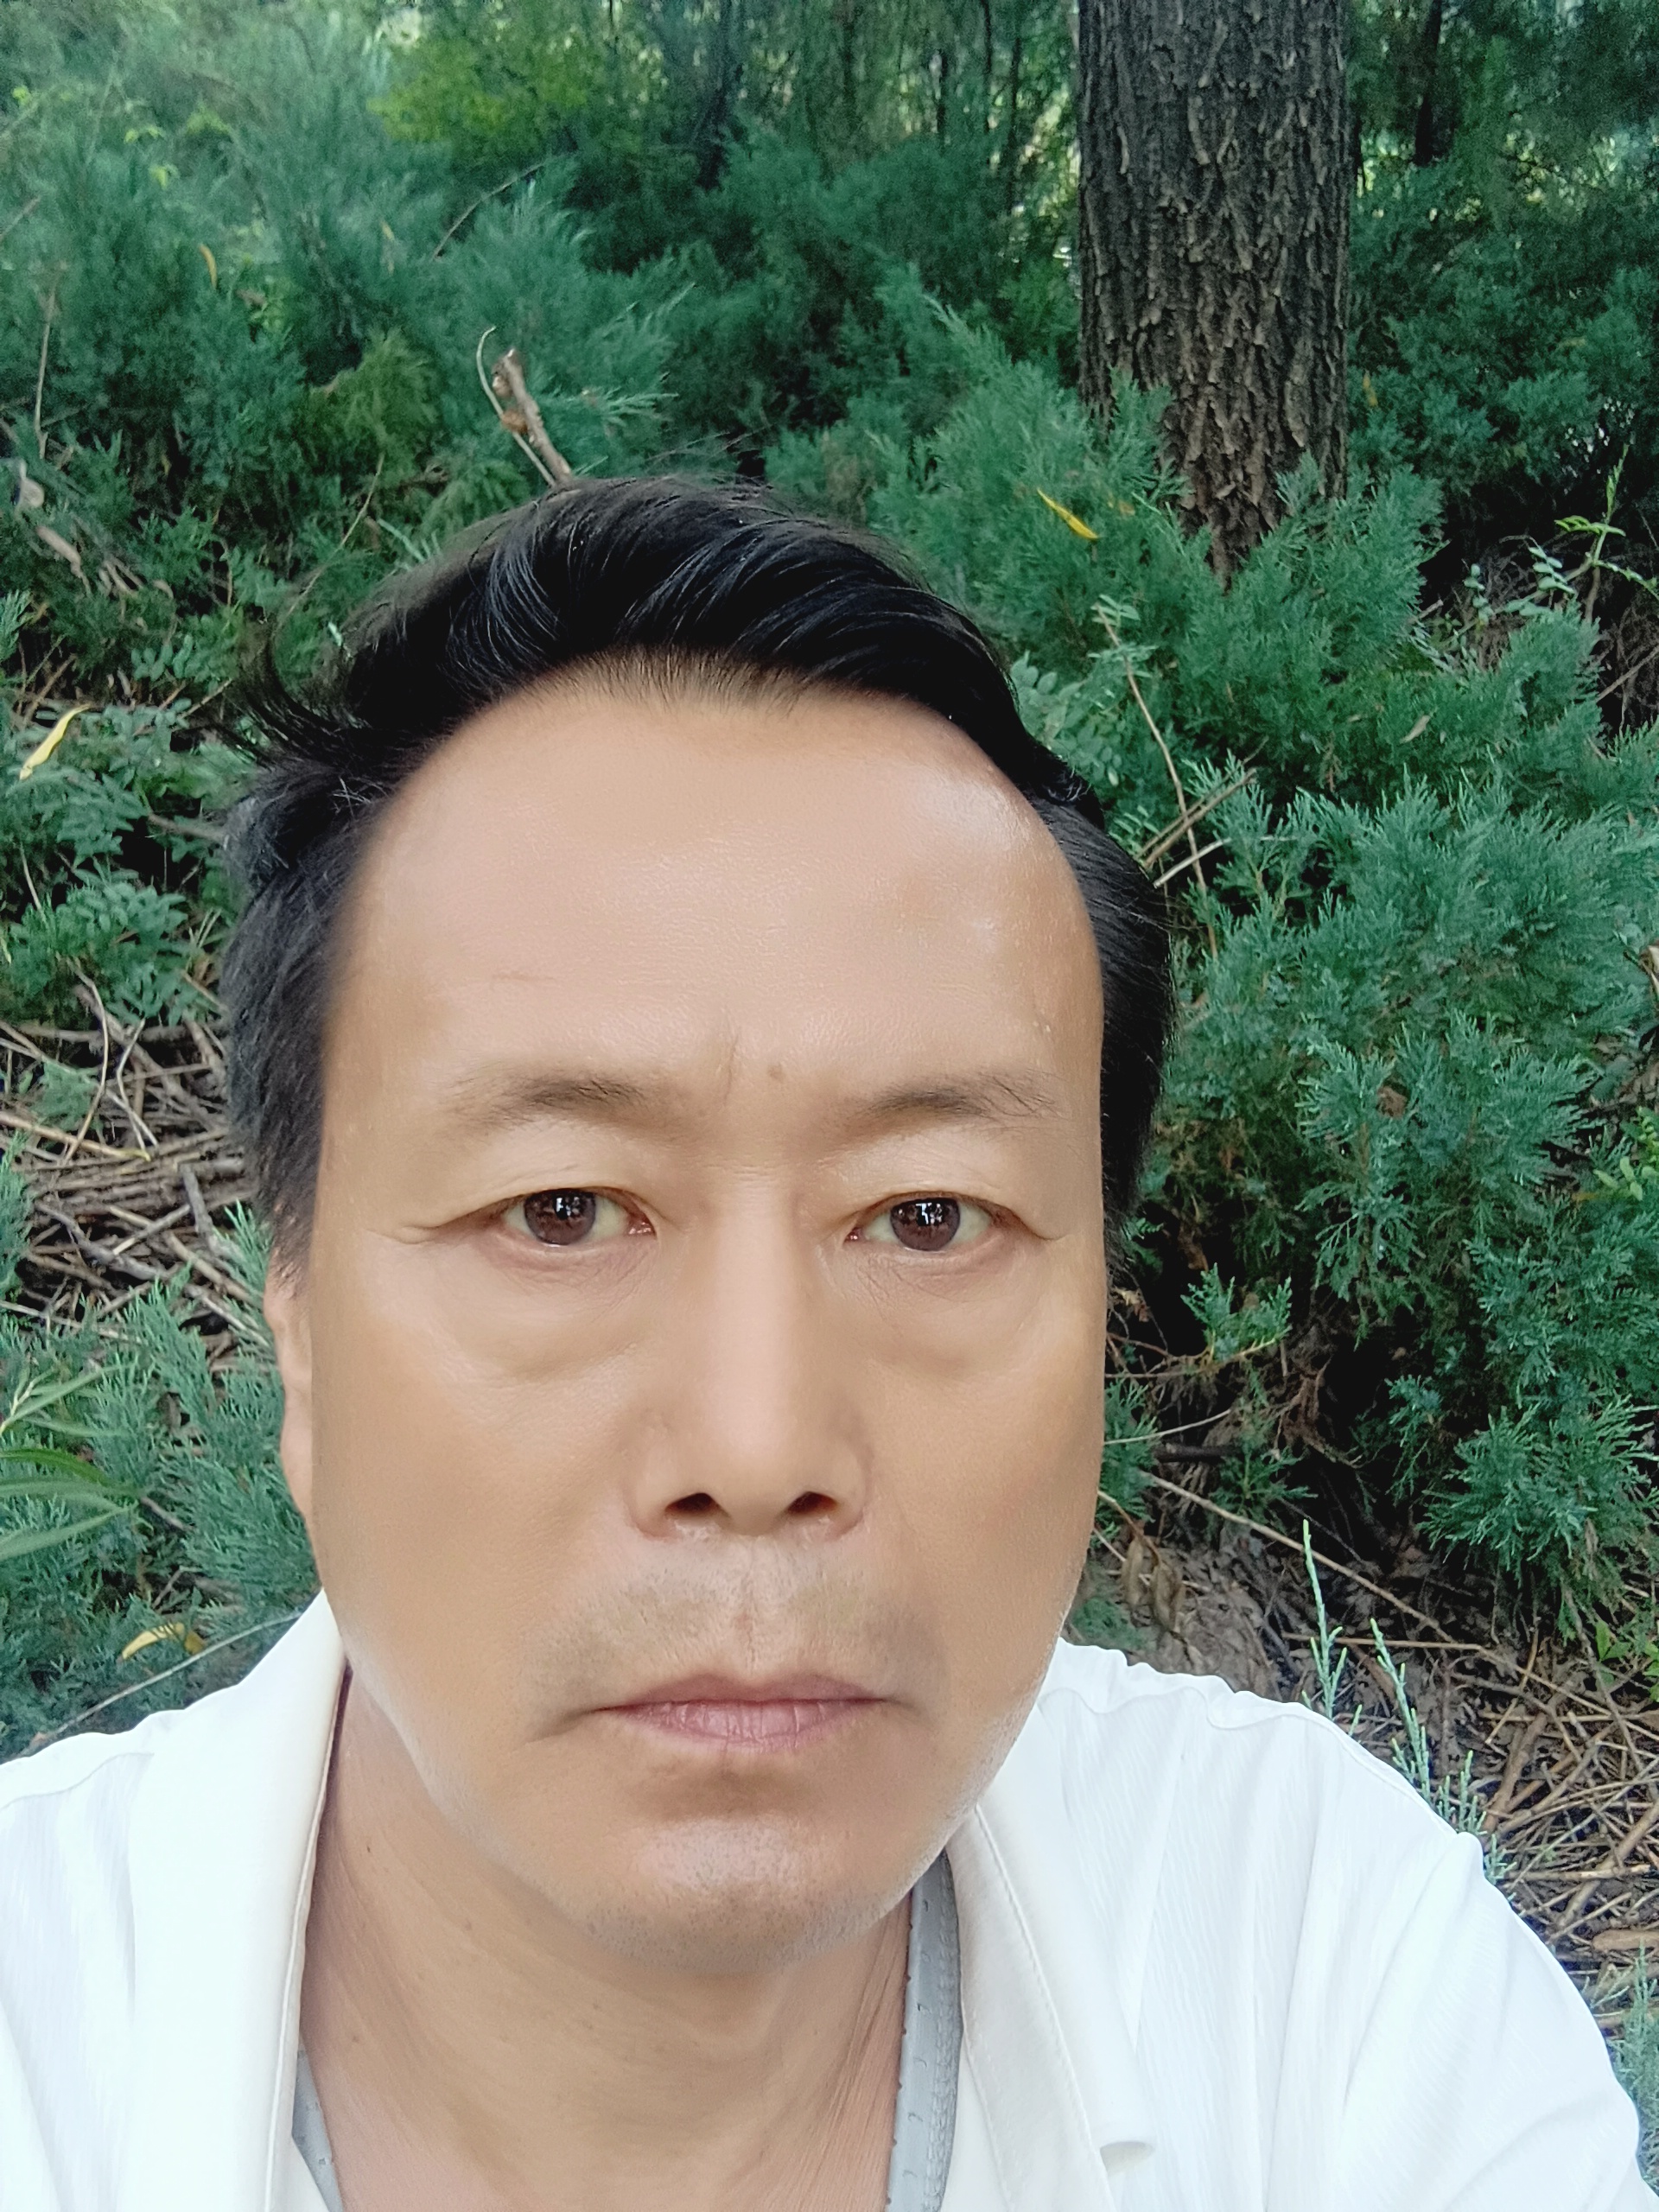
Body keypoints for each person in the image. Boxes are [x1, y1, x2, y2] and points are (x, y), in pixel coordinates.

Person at [0, 478, 1649, 2212]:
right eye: (560, 1209)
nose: (759, 1442)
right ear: (301, 1324)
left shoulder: (1315, 1984)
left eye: (928, 1216)